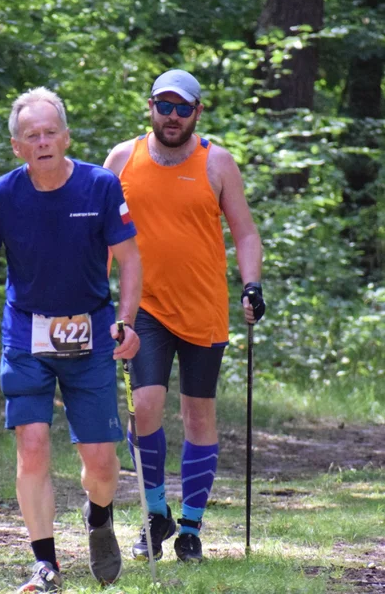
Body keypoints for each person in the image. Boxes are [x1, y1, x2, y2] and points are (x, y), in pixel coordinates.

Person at [0, 87, 143, 593]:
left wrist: (127, 321)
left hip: (92, 334)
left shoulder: (101, 187)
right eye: (31, 136)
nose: (43, 142)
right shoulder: (2, 195)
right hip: (25, 334)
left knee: (101, 463)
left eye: (50, 132)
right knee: (32, 448)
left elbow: (130, 260)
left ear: (66, 136)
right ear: (18, 147)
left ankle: (99, 517)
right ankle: (45, 564)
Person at [103, 69, 264, 563]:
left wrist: (252, 284)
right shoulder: (120, 159)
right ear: (149, 106)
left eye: (182, 108)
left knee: (200, 416)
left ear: (197, 112)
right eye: (164, 106)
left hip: (204, 308)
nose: (172, 117)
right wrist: (89, 293)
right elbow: (98, 234)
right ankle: (156, 515)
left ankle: (190, 526)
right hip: (143, 309)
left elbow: (246, 234)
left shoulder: (216, 162)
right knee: (145, 406)